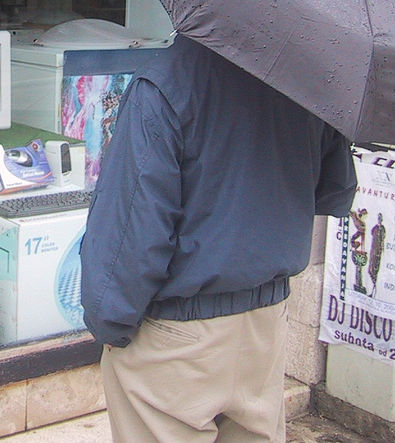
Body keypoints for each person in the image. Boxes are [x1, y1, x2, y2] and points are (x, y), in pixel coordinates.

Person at [80, 35, 357, 443]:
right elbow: (334, 189)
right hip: (265, 323)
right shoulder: (308, 77)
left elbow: (130, 233)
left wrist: (109, 322)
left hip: (176, 335)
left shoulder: (166, 81)